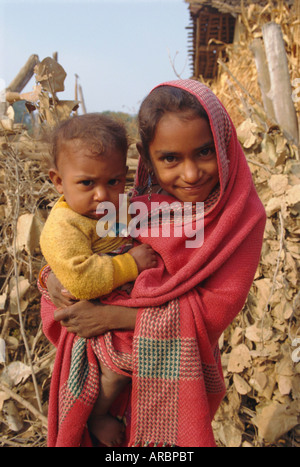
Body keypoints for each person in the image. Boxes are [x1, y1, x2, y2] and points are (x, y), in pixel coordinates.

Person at [38, 79, 266, 447]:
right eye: (170, 159)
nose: (190, 174)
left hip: (170, 365)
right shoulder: (139, 201)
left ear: (224, 145)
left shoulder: (239, 218)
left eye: (205, 152)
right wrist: (51, 280)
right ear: (147, 156)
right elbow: (88, 250)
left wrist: (110, 317)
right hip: (98, 357)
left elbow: (213, 311)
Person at [39, 113, 157, 447]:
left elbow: (125, 237)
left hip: (114, 301)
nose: (102, 194)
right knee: (118, 368)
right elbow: (80, 281)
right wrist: (130, 265)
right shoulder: (64, 225)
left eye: (114, 181)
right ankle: (97, 415)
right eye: (87, 183)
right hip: (86, 310)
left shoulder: (112, 209)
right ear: (59, 182)